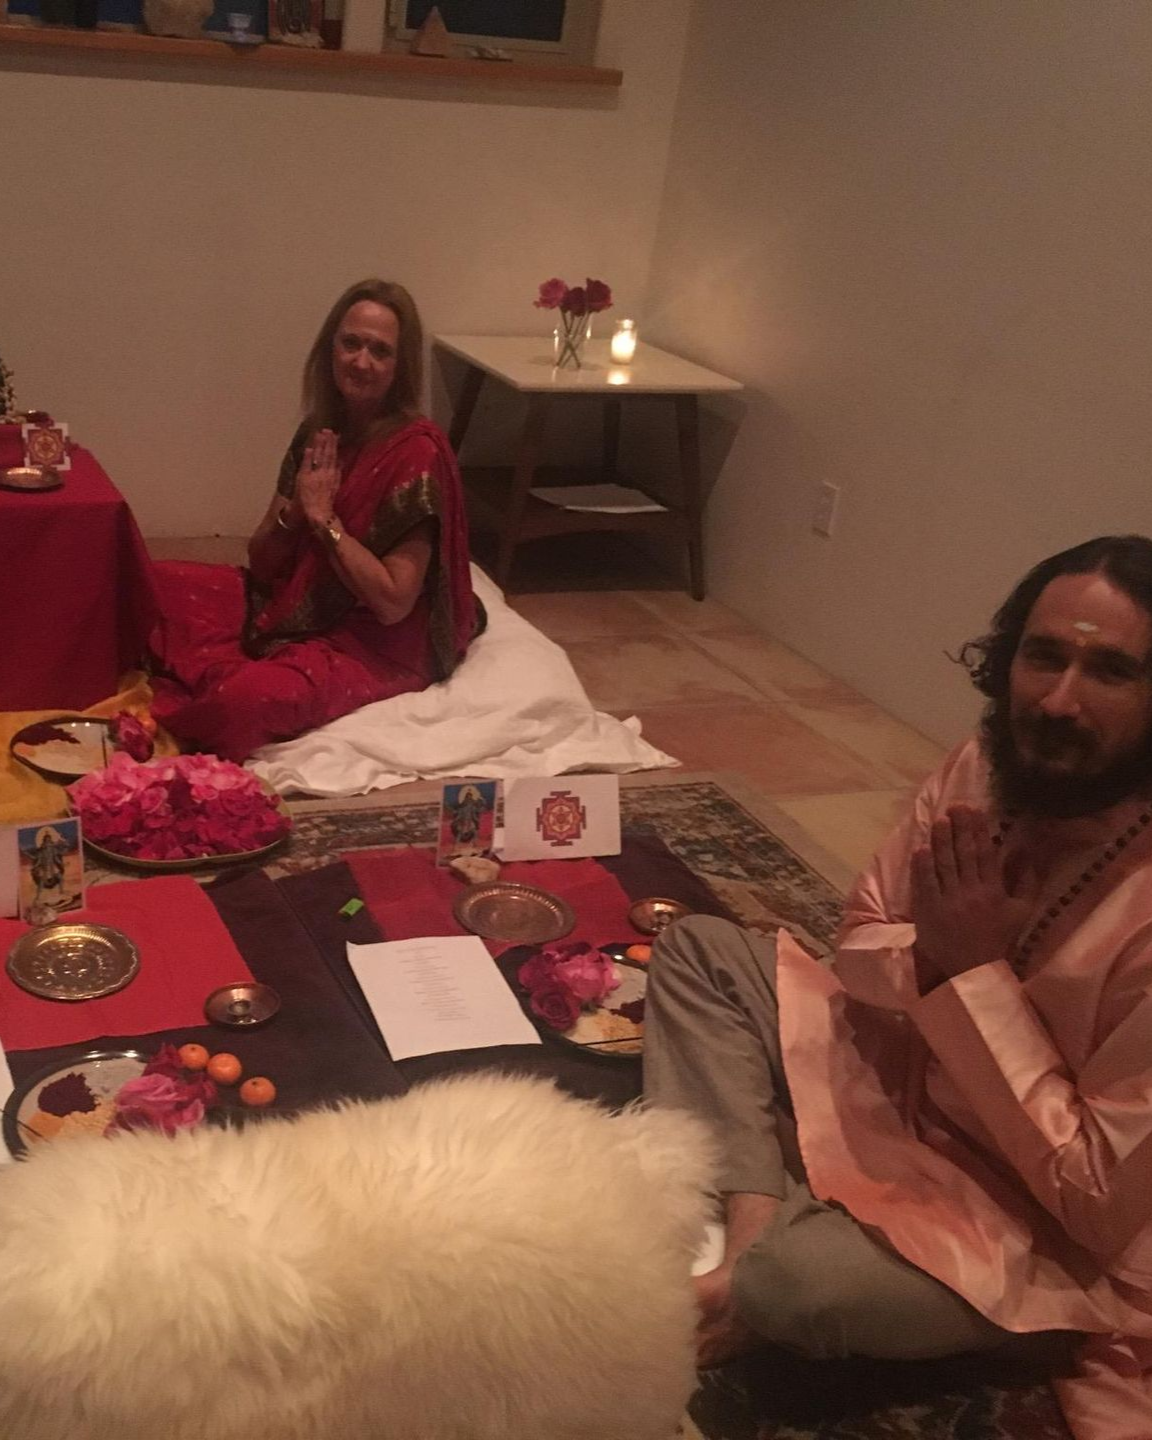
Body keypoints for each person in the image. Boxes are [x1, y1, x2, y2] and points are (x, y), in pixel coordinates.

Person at [644, 534, 1152, 1440]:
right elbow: (860, 936)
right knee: (700, 952)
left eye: (1110, 672)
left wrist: (972, 976)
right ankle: (759, 1228)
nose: (1059, 702)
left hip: (1030, 1224)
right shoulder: (982, 770)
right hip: (900, 1080)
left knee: (803, 1289)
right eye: (1044, 657)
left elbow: (1095, 1199)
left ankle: (973, 1323)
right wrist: (930, 962)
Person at [149, 279, 480, 762]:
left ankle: (208, 694)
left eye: (380, 351)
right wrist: (298, 511)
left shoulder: (416, 453)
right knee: (154, 583)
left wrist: (326, 523)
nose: (361, 362)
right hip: (295, 603)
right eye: (351, 343)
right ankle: (230, 669)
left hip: (372, 643)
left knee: (240, 704)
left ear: (399, 367)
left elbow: (393, 603)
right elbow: (262, 564)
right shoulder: (320, 430)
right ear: (330, 347)